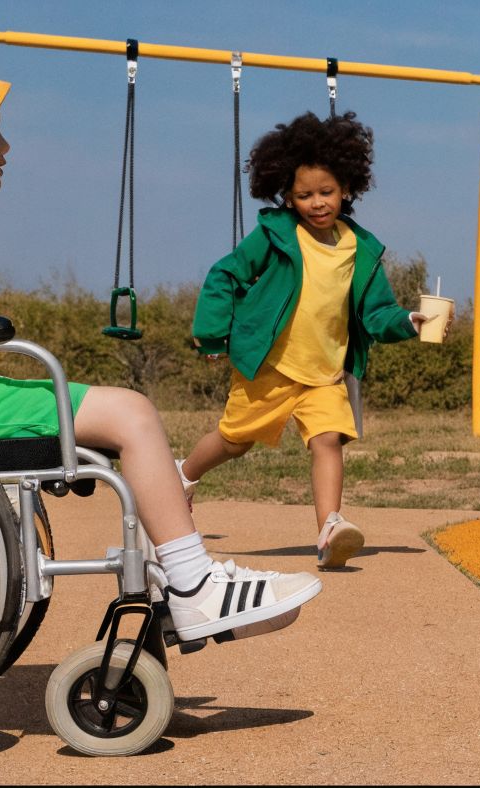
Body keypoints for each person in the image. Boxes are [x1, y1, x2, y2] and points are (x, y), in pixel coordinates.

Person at [0, 50, 316, 643]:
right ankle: (193, 584)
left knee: (124, 409)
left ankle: (182, 577)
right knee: (130, 413)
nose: (5, 146)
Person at [183, 111, 427, 570]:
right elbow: (225, 274)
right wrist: (212, 333)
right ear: (288, 197)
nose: (316, 203)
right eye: (304, 195)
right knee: (236, 441)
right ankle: (184, 476)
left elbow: (377, 312)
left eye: (326, 192)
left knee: (327, 440)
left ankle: (330, 527)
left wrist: (409, 321)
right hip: (271, 366)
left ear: (348, 189)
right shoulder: (276, 235)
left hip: (324, 373)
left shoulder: (362, 249)